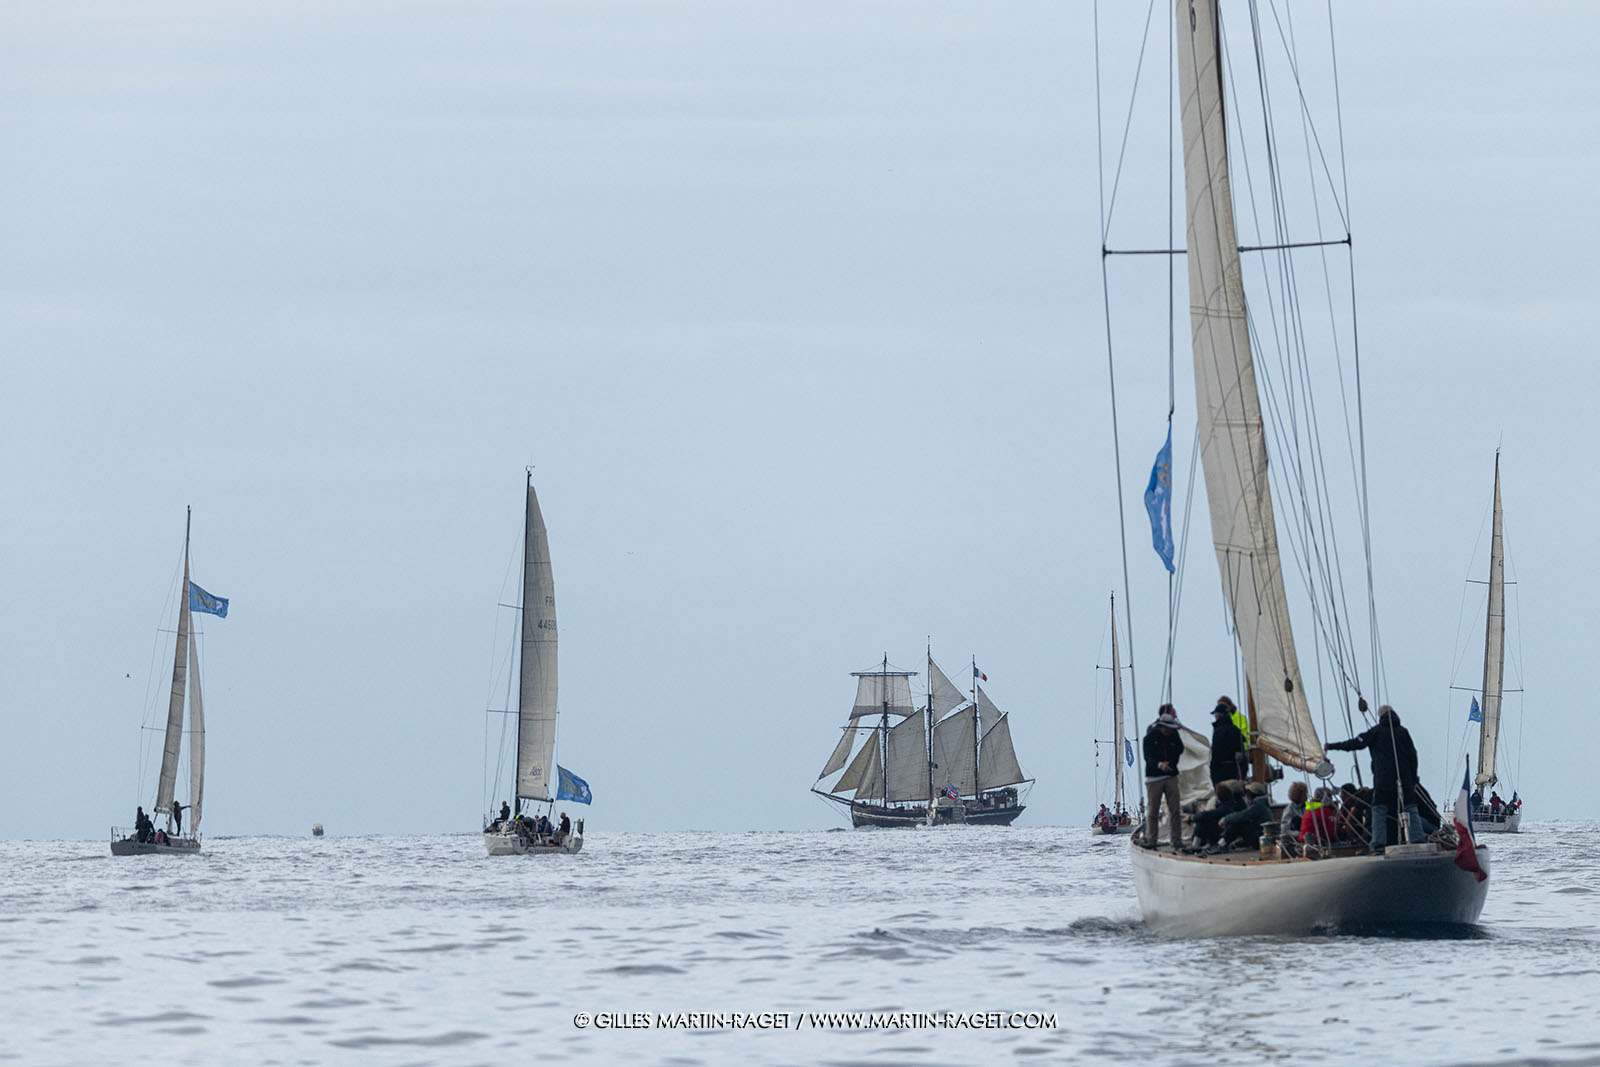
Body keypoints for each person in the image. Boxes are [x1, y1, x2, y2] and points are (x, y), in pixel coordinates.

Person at [1325, 705, 1423, 850]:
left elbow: (1355, 744)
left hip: (1383, 782)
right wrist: (1413, 778)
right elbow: (1413, 756)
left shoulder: (1376, 732)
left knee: (1378, 810)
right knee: (1410, 808)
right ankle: (1418, 841)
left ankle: (1378, 845)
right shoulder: (1403, 732)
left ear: (1380, 716)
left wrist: (1332, 746)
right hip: (1404, 781)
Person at [1141, 705, 1185, 852]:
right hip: (1154, 778)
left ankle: (1177, 840)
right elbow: (1148, 757)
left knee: (1175, 810)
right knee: (1153, 811)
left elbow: (1180, 749)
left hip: (1171, 775)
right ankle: (1151, 840)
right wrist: (1160, 765)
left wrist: (1170, 764)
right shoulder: (1150, 737)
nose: (1169, 731)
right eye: (1167, 728)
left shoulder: (1174, 736)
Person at [1216, 782, 1272, 852]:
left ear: (1250, 794)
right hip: (1263, 837)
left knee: (1238, 823)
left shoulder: (1258, 804)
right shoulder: (1265, 802)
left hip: (1260, 839)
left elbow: (1243, 815)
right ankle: (1223, 843)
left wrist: (1225, 819)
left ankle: (1221, 845)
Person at [1192, 782, 1244, 849]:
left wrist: (1191, 818)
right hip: (1224, 831)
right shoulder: (1235, 804)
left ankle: (1196, 846)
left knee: (1203, 820)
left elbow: (1205, 815)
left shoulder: (1226, 807)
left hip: (1224, 833)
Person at [1208, 701, 1247, 788]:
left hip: (1221, 771)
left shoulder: (1219, 731)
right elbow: (1242, 752)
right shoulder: (1236, 731)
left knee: (1225, 795)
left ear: (1218, 716)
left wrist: (1213, 775)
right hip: (1235, 771)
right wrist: (1243, 773)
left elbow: (1216, 753)